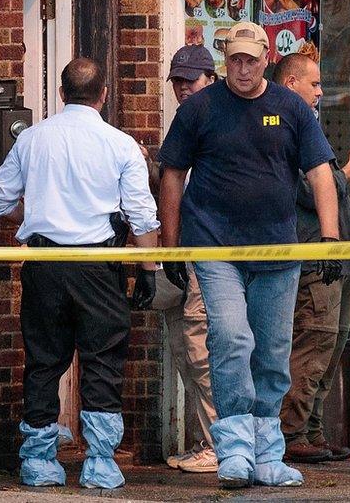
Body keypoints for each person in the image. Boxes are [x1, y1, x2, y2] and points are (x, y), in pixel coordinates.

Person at [158, 22, 342, 489]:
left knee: (274, 352)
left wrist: (331, 237)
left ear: (266, 60)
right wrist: (172, 246)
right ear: (224, 59)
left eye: (250, 60)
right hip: (215, 247)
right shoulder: (199, 109)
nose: (241, 68)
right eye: (234, 59)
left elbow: (320, 172)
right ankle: (235, 447)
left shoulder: (291, 108)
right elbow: (173, 174)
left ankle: (267, 450)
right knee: (231, 339)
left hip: (279, 251)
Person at [0, 58, 160, 489]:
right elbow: (142, 217)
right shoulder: (120, 145)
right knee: (103, 359)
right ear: (104, 95)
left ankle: (39, 462)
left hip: (45, 264)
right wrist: (148, 270)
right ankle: (100, 463)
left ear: (61, 94)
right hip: (98, 266)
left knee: (44, 360)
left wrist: (38, 215)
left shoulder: (31, 140)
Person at [272, 52, 350, 464]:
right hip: (314, 259)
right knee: (313, 343)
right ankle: (291, 434)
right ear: (291, 83)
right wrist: (348, 169)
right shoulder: (281, 127)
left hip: (338, 260)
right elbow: (310, 190)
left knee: (332, 347)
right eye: (314, 83)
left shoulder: (304, 124)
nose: (321, 91)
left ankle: (311, 430)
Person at [158, 45, 219, 473]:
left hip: (208, 253)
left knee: (201, 348)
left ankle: (220, 442)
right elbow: (173, 183)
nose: (183, 89)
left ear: (210, 79)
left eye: (190, 80)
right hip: (183, 252)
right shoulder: (185, 121)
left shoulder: (218, 118)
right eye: (178, 81)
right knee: (184, 348)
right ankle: (207, 440)